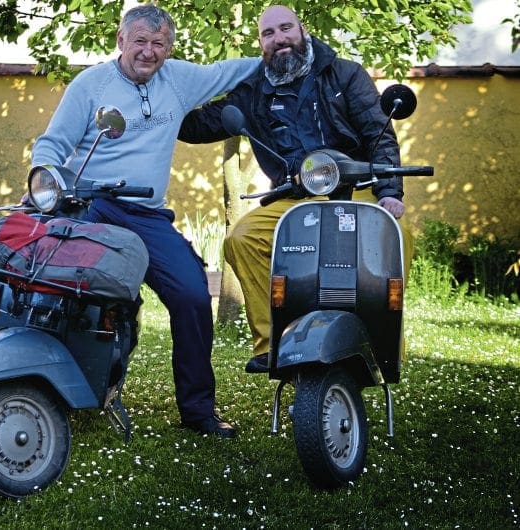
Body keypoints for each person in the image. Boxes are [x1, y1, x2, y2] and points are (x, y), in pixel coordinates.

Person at [31, 4, 261, 437]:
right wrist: (45, 180)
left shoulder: (178, 79)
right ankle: (60, 390)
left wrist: (284, 50)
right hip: (94, 208)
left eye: (159, 43)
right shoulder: (91, 85)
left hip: (148, 214)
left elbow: (229, 72)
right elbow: (52, 145)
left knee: (193, 296)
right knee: (82, 298)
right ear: (121, 40)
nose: (149, 51)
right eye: (140, 41)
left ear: (169, 48)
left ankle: (198, 411)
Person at [178, 5, 413, 373]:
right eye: (268, 34)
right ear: (261, 43)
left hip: (357, 188)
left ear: (302, 30)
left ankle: (385, 342)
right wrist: (164, 100)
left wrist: (389, 192)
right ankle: (273, 342)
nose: (279, 38)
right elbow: (200, 126)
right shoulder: (251, 90)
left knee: (396, 234)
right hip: (293, 197)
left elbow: (377, 134)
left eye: (286, 28)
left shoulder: (345, 74)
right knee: (242, 238)